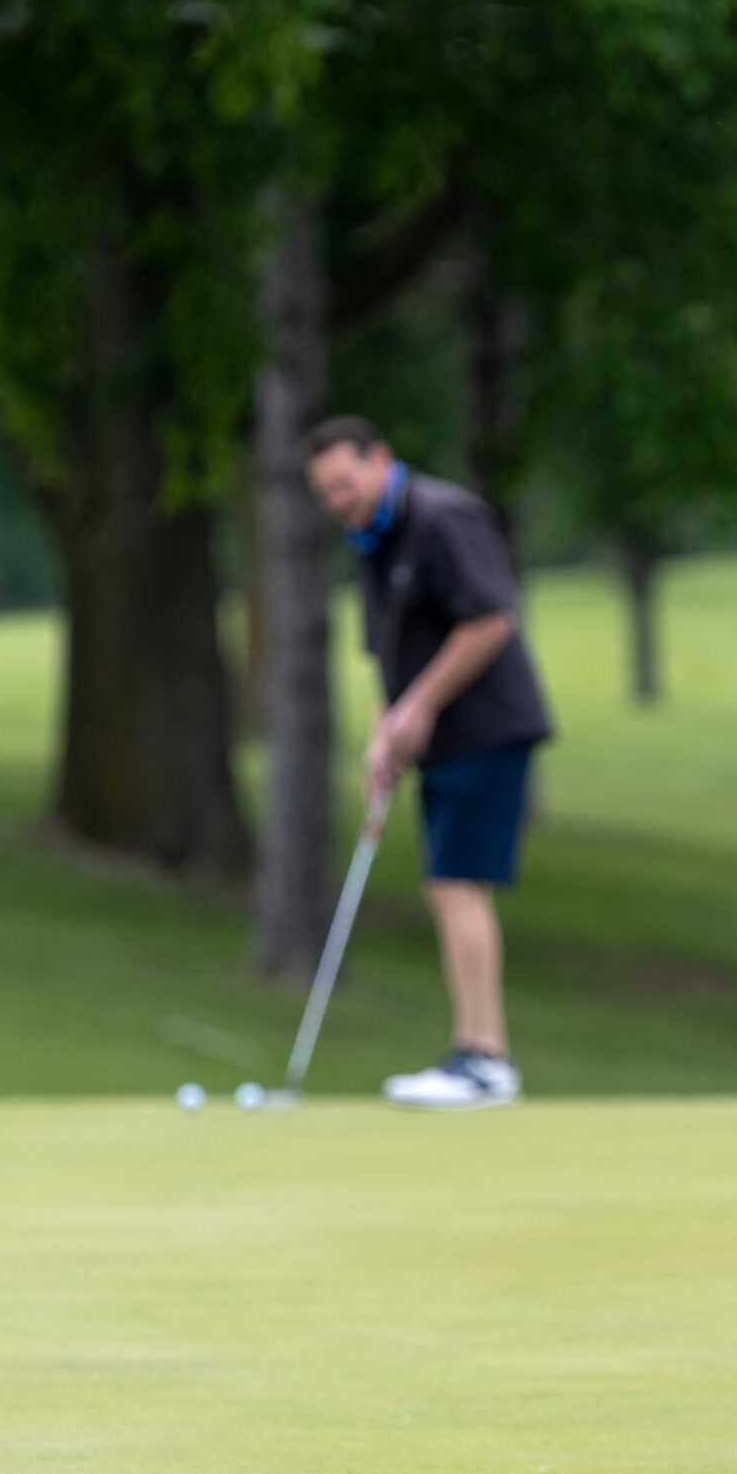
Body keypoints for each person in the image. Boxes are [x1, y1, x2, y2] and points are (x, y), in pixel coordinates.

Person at [304, 415, 554, 1110]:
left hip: (488, 725)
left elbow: (490, 619)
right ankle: (477, 1052)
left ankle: (485, 1058)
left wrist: (416, 707)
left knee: (455, 882)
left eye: (345, 484)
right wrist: (383, 737)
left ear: (380, 459)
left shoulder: (444, 517)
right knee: (449, 884)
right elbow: (391, 654)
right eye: (325, 493)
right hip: (440, 735)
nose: (339, 501)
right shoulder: (371, 537)